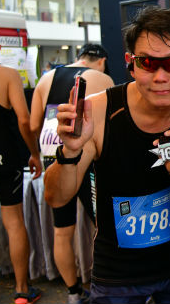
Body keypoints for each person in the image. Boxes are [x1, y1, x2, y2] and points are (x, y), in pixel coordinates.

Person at [46, 6, 170, 303]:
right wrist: (70, 149)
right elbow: (56, 198)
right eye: (147, 63)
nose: (160, 77)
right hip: (118, 275)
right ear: (130, 65)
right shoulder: (98, 111)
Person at [30, 44, 114, 304]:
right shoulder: (100, 77)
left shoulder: (46, 79)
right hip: (88, 159)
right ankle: (111, 285)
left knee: (62, 231)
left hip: (53, 156)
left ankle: (73, 293)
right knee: (105, 228)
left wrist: (35, 154)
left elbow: (32, 124)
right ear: (102, 61)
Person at [0, 27, 43, 304]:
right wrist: (34, 153)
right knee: (13, 222)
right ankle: (22, 290)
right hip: (4, 155)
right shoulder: (6, 75)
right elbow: (24, 120)